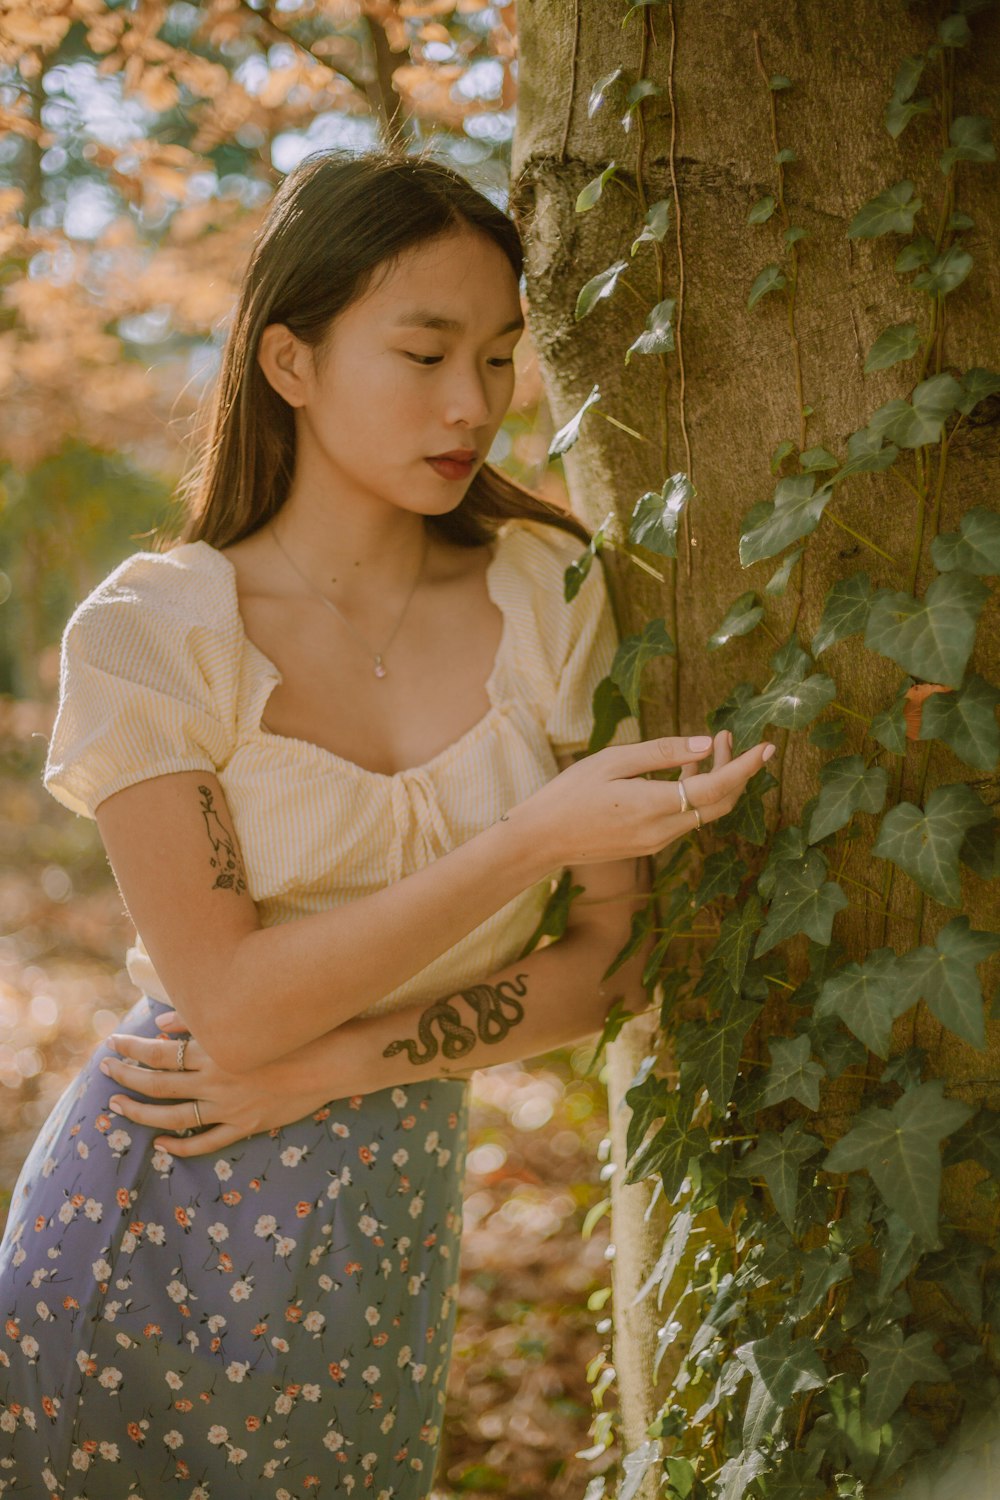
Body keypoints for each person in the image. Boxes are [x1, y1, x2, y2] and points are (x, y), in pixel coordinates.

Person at [0, 149, 775, 1499]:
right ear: (290, 362)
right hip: (158, 1186)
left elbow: (616, 958)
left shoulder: (548, 592)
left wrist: (337, 1066)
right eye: (423, 352)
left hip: (385, 1199)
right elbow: (232, 1010)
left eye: (497, 357)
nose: (471, 401)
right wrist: (526, 840)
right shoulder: (154, 632)